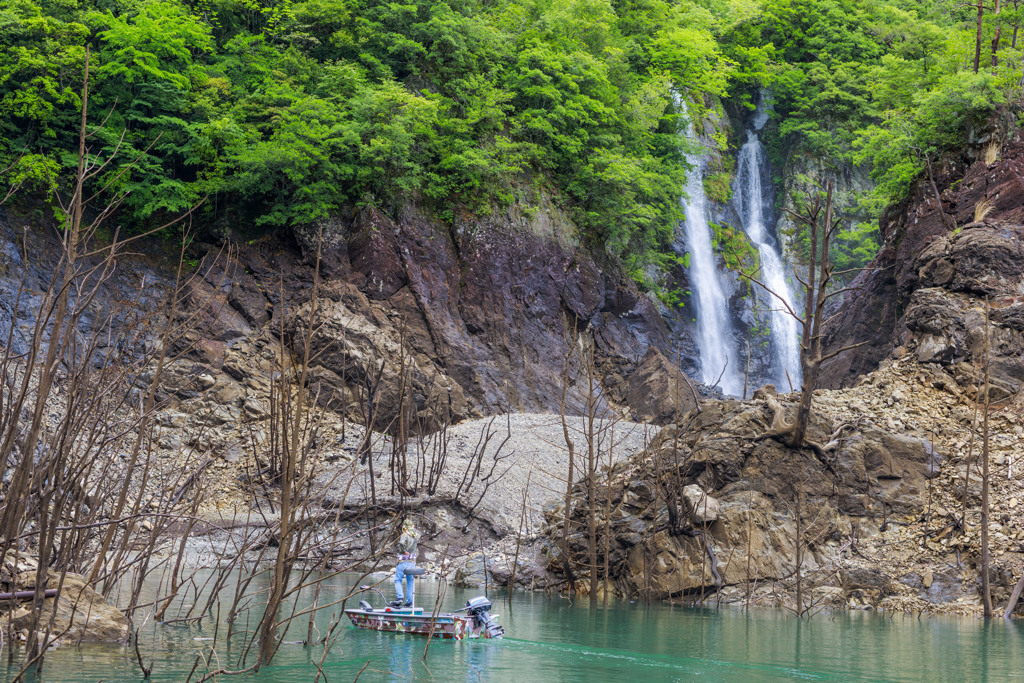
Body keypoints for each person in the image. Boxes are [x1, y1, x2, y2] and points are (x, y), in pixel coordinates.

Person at [392, 518, 421, 607]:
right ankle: (410, 601)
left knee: (397, 579)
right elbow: (417, 533)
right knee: (410, 581)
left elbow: (401, 544)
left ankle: (400, 597)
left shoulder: (405, 535)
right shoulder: (417, 535)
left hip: (402, 561)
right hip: (412, 562)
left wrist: (403, 551)